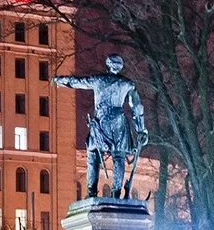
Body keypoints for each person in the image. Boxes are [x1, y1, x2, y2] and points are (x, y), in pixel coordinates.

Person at [53, 54, 148, 198]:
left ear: (108, 65)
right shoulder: (128, 84)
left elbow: (77, 82)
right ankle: (116, 192)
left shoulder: (98, 80)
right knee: (119, 156)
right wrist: (141, 130)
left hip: (102, 121)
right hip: (118, 121)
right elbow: (137, 107)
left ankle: (91, 191)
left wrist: (59, 80)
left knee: (93, 153)